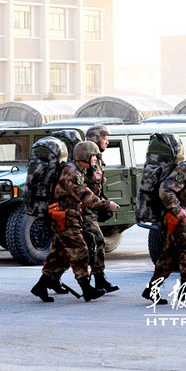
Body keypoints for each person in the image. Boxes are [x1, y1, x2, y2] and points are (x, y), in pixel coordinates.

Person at [31, 141, 119, 303]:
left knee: (59, 254)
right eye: (93, 156)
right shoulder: (72, 172)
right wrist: (107, 204)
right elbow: (85, 196)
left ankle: (41, 286)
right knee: (80, 251)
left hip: (68, 216)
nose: (95, 160)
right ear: (85, 156)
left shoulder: (78, 170)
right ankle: (86, 289)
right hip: (64, 218)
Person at [142, 135, 186, 305]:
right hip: (178, 220)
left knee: (169, 256)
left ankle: (151, 290)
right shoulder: (185, 169)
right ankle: (185, 289)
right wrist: (178, 210)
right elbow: (165, 191)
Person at [82, 124, 118, 293]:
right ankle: (99, 279)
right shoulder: (85, 160)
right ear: (96, 139)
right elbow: (81, 189)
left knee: (61, 251)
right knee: (98, 241)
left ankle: (46, 281)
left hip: (92, 209)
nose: (107, 142)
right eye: (105, 139)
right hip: (83, 210)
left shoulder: (97, 160)